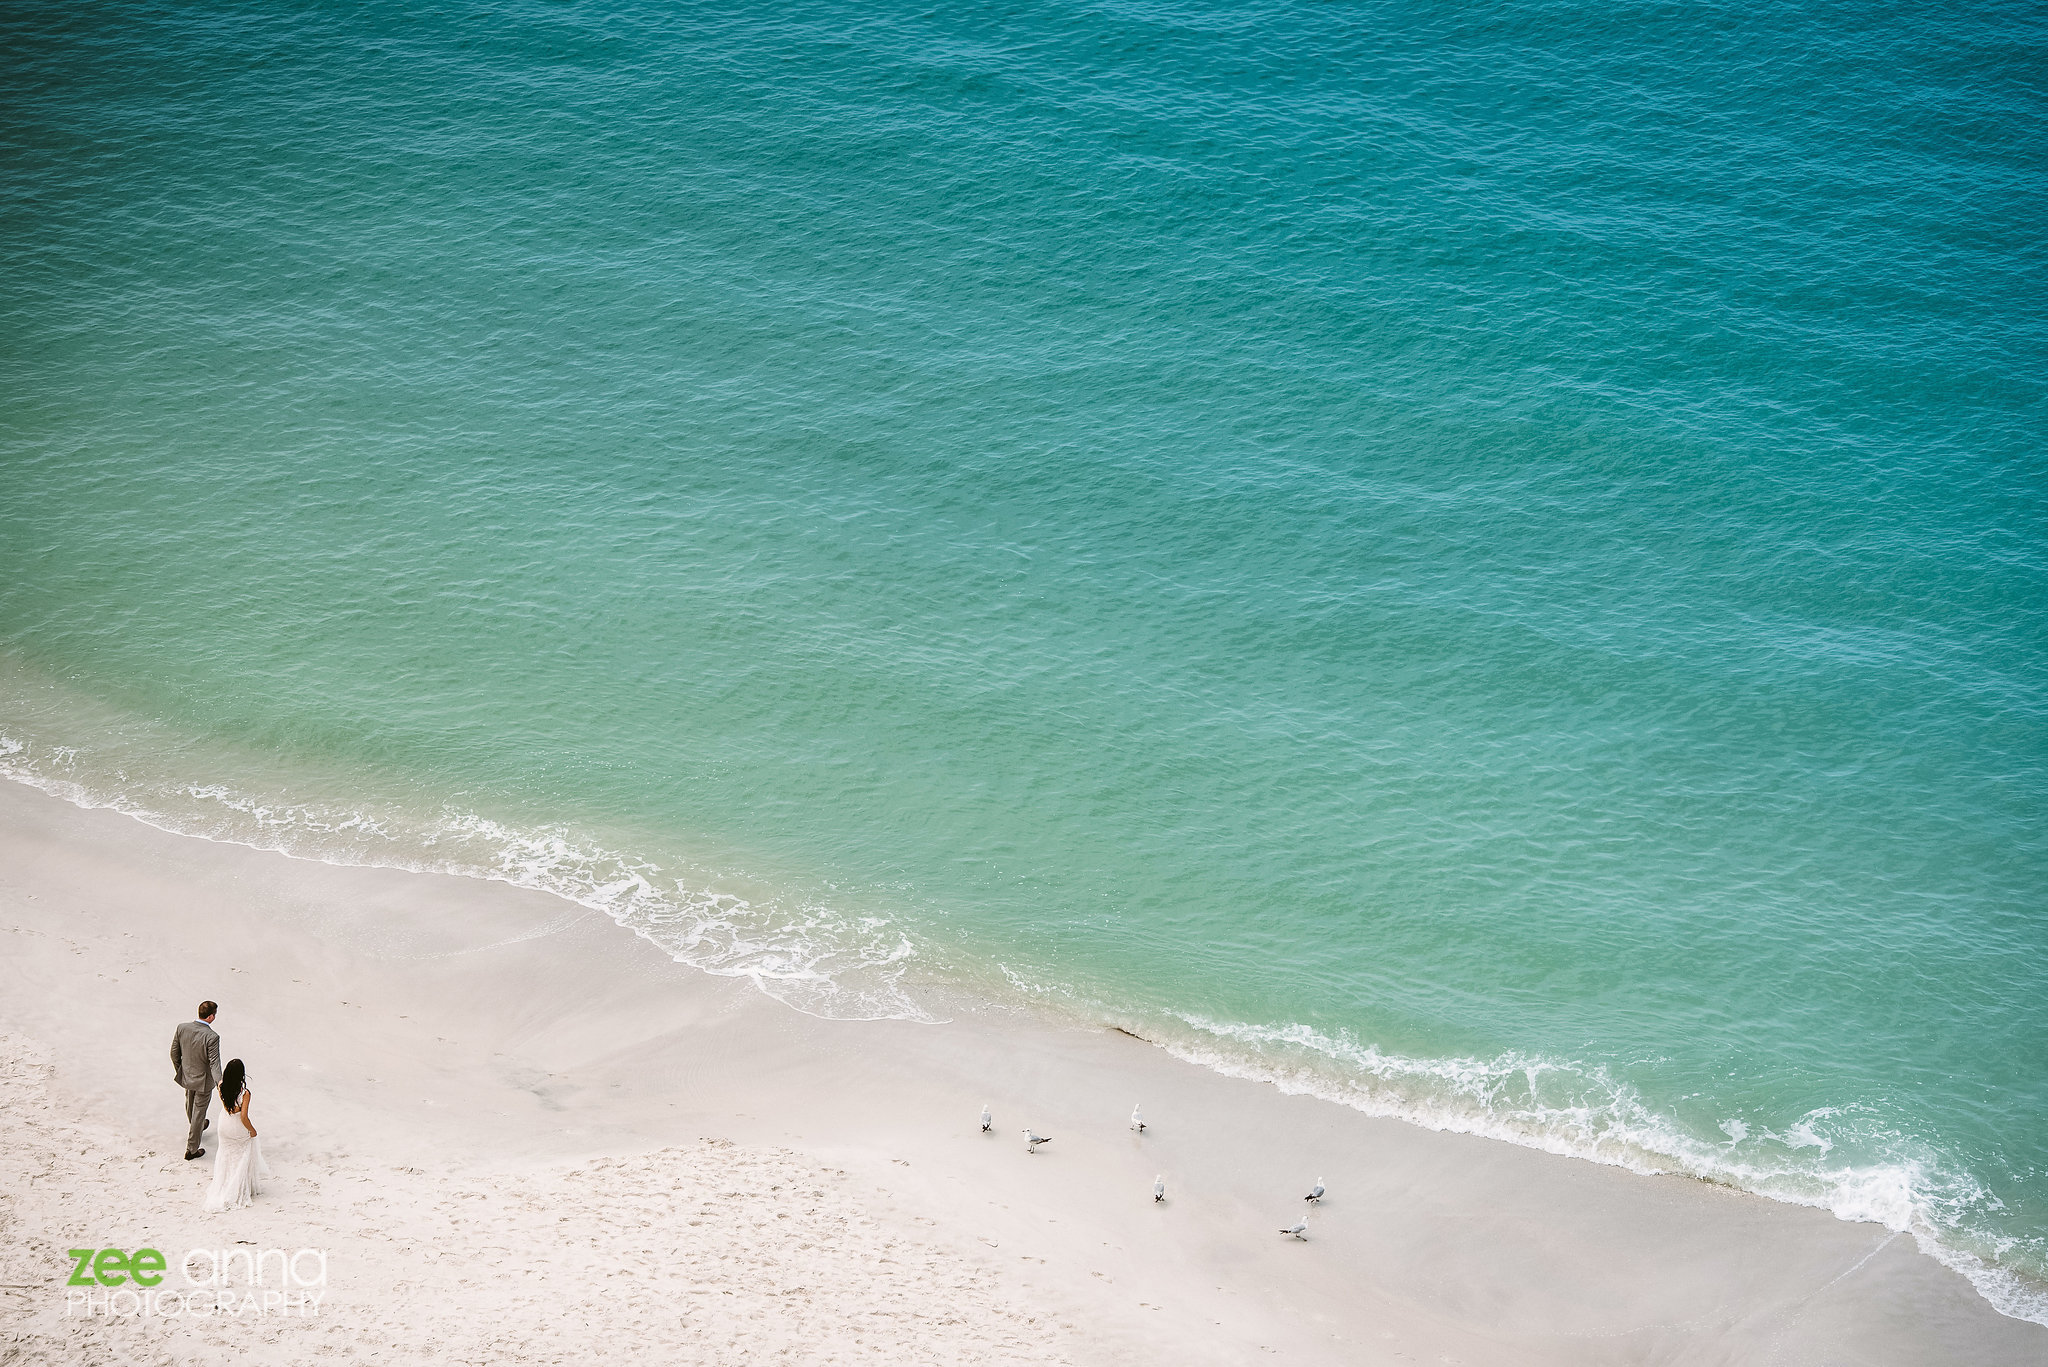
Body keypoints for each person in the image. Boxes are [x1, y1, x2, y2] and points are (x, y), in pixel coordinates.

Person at [203, 1058, 269, 1211]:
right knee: (244, 1152)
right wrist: (252, 1130)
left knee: (225, 1154)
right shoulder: (245, 1093)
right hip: (237, 1126)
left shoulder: (221, 1086)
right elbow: (243, 1117)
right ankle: (239, 1185)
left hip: (224, 1124)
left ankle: (223, 1181)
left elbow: (228, 1107)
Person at [171, 1002, 222, 1160]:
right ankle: (192, 1150)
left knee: (190, 1102)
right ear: (211, 1016)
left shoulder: (182, 1028)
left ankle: (197, 1125)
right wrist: (220, 1082)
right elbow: (214, 1063)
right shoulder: (212, 1037)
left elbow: (174, 1053)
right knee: (199, 1111)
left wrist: (181, 1070)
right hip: (203, 1081)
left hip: (187, 1075)